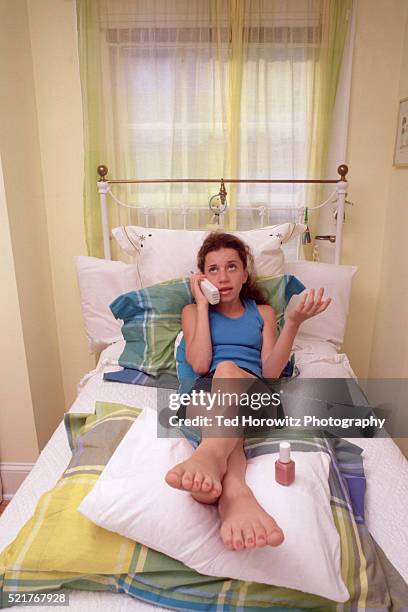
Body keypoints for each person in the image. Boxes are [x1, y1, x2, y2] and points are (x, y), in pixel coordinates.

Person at [165, 232, 331, 551]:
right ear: (202, 277)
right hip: (209, 396)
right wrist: (201, 304)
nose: (223, 277)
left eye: (231, 267)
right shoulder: (191, 312)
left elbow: (270, 372)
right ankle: (234, 494)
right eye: (212, 270)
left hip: (256, 396)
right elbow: (199, 365)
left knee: (227, 372)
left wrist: (293, 323)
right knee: (219, 402)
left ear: (245, 273)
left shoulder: (263, 313)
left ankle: (209, 457)